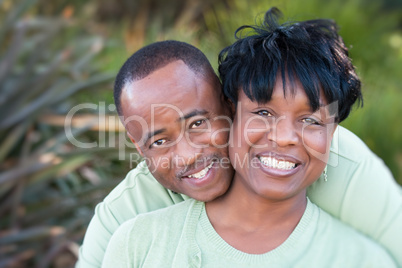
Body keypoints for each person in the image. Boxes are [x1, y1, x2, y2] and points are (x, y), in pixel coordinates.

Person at [76, 16, 402, 268]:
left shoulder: (340, 163)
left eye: (199, 123)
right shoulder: (131, 227)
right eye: (160, 141)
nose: (188, 155)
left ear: (229, 107)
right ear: (139, 147)